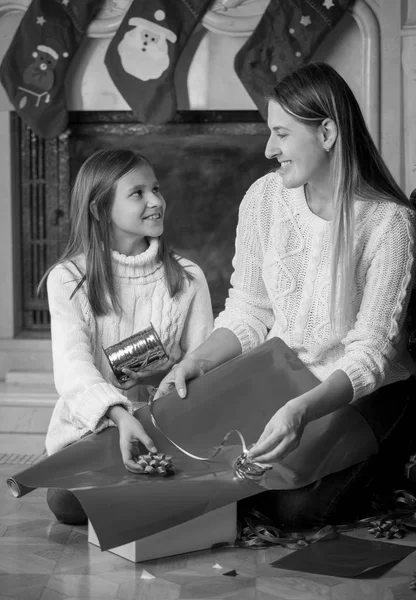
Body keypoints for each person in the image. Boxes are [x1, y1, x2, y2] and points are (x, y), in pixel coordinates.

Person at [155, 62, 416, 528]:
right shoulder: (264, 199)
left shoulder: (389, 223)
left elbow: (372, 353)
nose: (268, 148)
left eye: (281, 133)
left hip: (361, 392)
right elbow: (249, 308)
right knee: (200, 471)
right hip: (278, 378)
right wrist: (199, 360)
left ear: (328, 133)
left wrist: (300, 410)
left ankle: (384, 462)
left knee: (295, 510)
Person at [39, 148, 213, 525]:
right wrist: (118, 416)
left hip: (165, 429)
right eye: (137, 193)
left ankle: (153, 491)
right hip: (94, 433)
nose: (155, 201)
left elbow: (205, 364)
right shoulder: (68, 279)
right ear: (100, 209)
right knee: (66, 502)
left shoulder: (189, 277)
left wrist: (164, 375)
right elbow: (73, 369)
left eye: (156, 188)